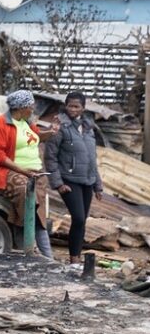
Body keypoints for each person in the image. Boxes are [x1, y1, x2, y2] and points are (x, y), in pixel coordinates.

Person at [0, 90, 59, 258]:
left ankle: (44, 256)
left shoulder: (27, 122)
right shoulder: (0, 123)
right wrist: (22, 171)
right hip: (10, 171)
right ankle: (31, 248)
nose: (33, 108)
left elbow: (37, 137)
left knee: (39, 212)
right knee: (29, 200)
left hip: (36, 172)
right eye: (31, 105)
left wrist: (51, 132)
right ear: (21, 107)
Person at [44, 92, 103, 266]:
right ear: (66, 105)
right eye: (70, 105)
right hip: (69, 180)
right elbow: (50, 157)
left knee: (82, 220)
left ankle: (75, 259)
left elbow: (92, 159)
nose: (73, 109)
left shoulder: (88, 128)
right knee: (77, 218)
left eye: (77, 106)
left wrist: (97, 185)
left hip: (87, 180)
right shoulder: (59, 126)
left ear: (83, 108)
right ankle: (74, 259)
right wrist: (58, 183)